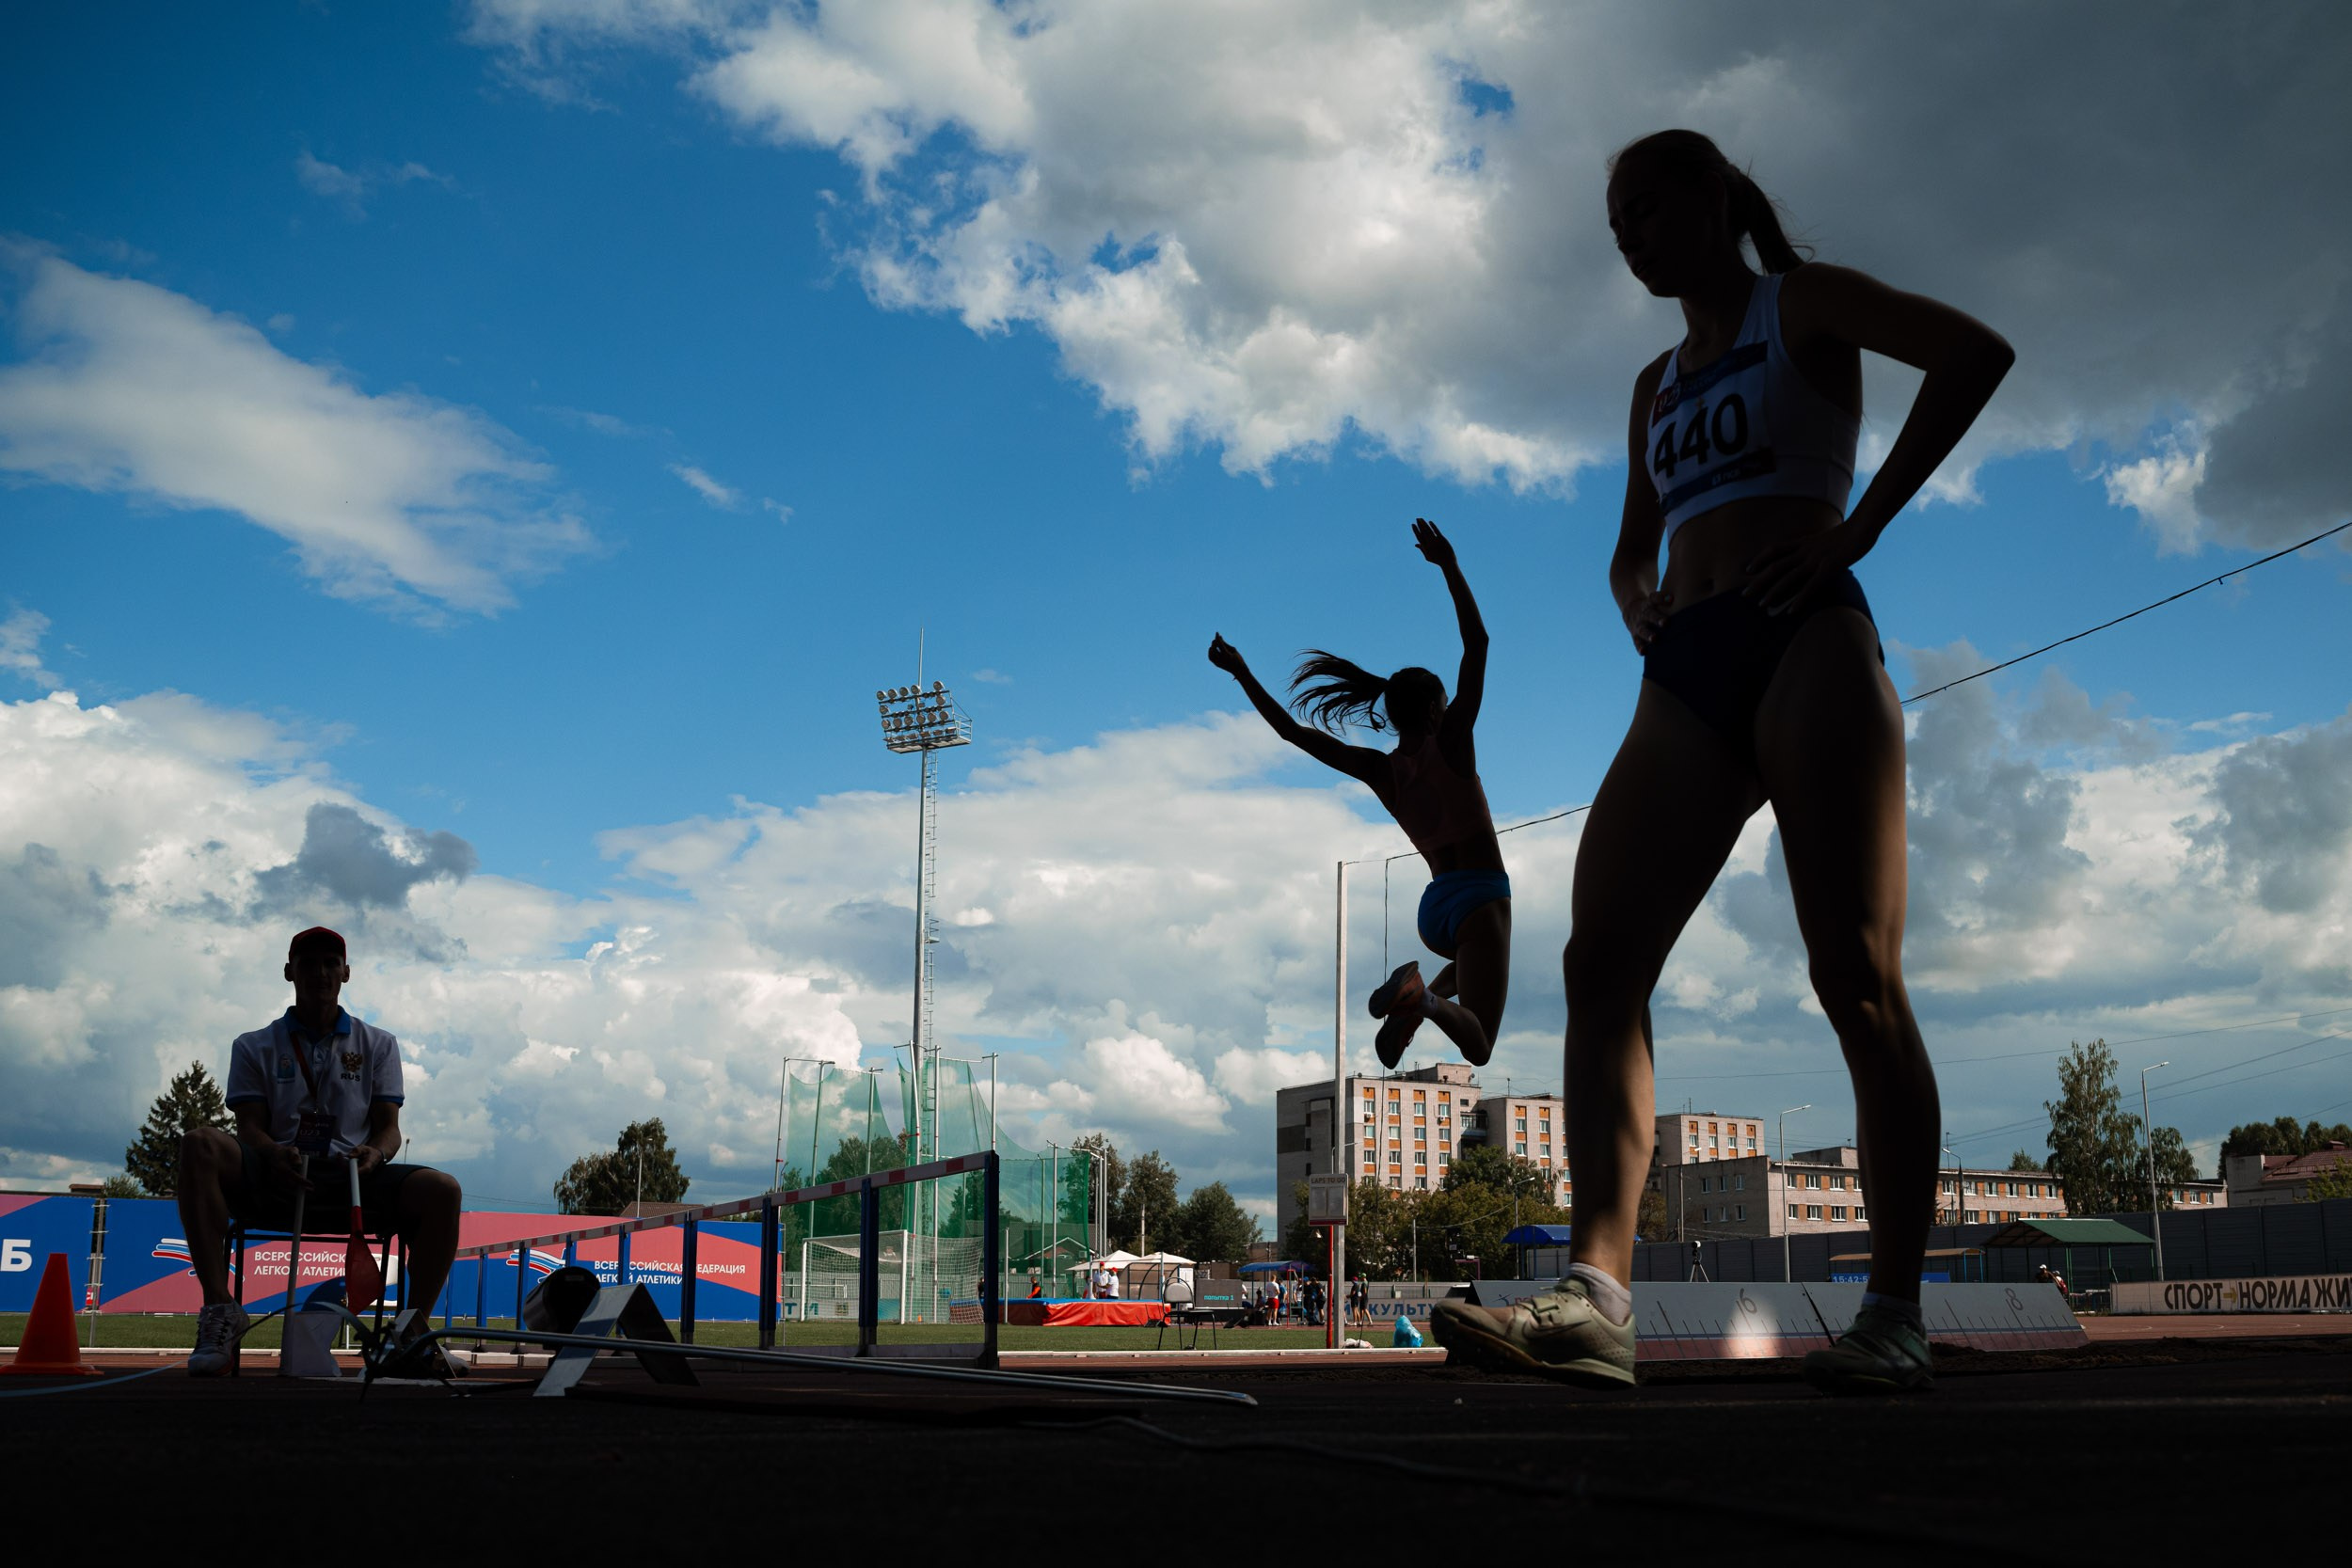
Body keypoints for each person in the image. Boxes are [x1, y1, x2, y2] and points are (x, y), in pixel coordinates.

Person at [1431, 130, 2012, 1396]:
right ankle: (1596, 1299)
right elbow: (1626, 547)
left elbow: (1976, 355)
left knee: (1855, 971)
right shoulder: (1652, 384)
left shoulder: (1805, 303)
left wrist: (1854, 529)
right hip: (1684, 671)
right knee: (1600, 960)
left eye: (1646, 207)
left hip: (1805, 636)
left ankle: (1895, 1307)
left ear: (1711, 196)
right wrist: (1637, 595)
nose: (1629, 234)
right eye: (1613, 223)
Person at [1209, 519, 1510, 1066]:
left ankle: (1419, 1003)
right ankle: (1423, 1001)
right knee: (1482, 1044)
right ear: (1439, 706)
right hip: (1482, 895)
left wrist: (1242, 673)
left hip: (1437, 904)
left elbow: (1292, 733)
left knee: (1470, 963)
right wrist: (1450, 566)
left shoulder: (1382, 770)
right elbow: (1478, 643)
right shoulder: (1455, 742)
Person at [177, 927, 466, 1376]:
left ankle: (412, 1333)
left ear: (346, 973)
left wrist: (376, 1153)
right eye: (309, 963)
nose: (321, 972)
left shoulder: (379, 1043)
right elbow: (248, 1128)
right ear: (289, 971)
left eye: (331, 963)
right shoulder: (253, 1044)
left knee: (442, 1189)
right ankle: (220, 1308)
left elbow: (390, 1130)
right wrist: (273, 1152)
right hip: (277, 1176)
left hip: (355, 1179)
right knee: (200, 1144)